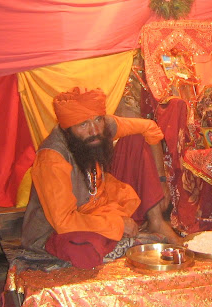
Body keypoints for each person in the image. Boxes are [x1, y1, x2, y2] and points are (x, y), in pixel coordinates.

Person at [21, 87, 181, 269]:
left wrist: (161, 180)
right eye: (83, 125)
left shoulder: (102, 128)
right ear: (68, 129)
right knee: (85, 248)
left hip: (99, 204)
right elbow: (64, 222)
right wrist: (117, 224)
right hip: (58, 229)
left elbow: (149, 128)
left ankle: (156, 221)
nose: (94, 130)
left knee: (135, 139)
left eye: (98, 120)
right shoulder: (52, 158)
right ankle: (115, 237)